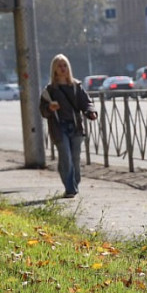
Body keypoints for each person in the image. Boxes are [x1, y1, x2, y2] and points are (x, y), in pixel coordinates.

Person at [39, 54, 97, 199]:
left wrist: (91, 112)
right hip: (59, 128)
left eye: (65, 65)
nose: (63, 68)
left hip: (76, 127)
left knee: (75, 159)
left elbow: (86, 102)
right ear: (54, 69)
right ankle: (70, 188)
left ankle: (74, 183)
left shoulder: (76, 86)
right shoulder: (50, 90)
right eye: (59, 66)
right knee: (66, 158)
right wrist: (50, 108)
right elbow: (43, 110)